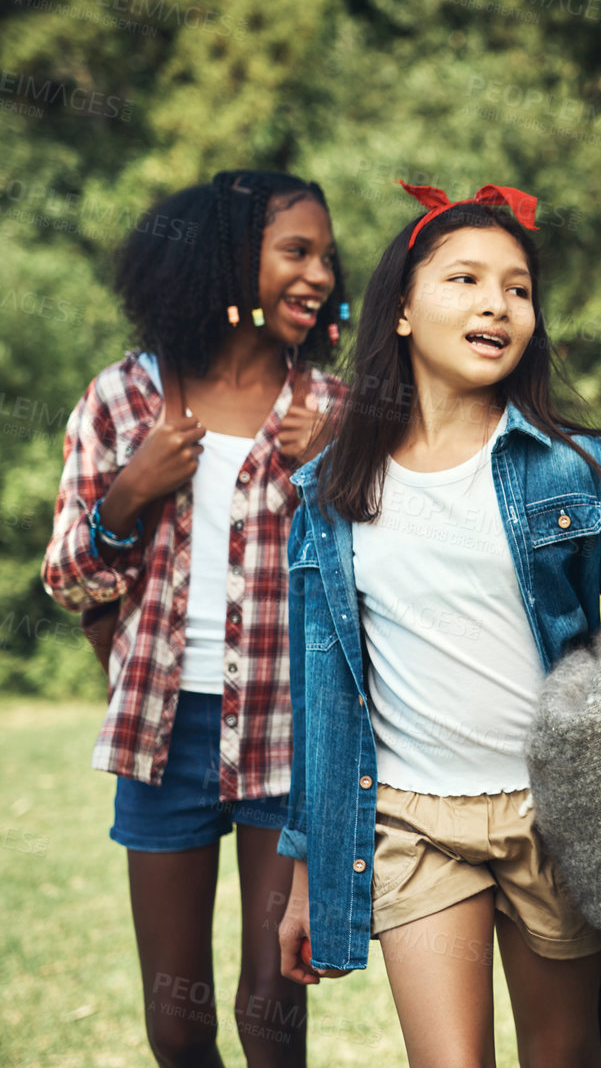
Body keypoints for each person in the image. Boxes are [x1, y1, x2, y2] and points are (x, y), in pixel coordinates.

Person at [273, 183, 601, 1068]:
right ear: (402, 310)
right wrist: (305, 866)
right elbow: (321, 695)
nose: (497, 303)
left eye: (518, 288)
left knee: (561, 1055)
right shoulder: (330, 493)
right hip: (412, 821)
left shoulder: (589, 473)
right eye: (464, 279)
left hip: (558, 818)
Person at [42, 170, 348, 1066]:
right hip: (163, 732)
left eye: (327, 256)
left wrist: (333, 472)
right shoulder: (121, 401)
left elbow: (381, 577)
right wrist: (128, 495)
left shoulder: (329, 409)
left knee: (273, 1009)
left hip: (289, 729)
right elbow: (68, 580)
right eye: (296, 251)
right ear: (225, 258)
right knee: (177, 1022)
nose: (321, 274)